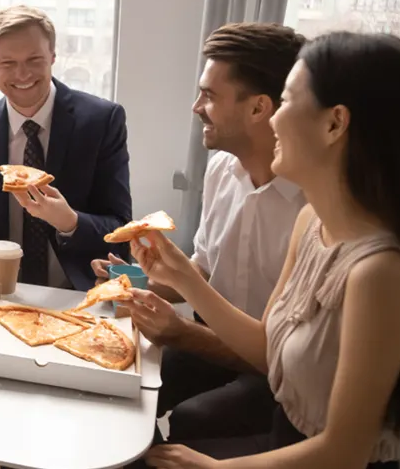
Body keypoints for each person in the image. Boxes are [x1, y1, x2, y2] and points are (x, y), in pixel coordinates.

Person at [139, 32, 400, 468]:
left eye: (287, 101)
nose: (275, 120)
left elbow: (344, 451)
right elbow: (267, 347)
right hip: (289, 436)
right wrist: (181, 274)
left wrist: (214, 468)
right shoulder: (313, 222)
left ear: (335, 123)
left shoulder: (380, 273)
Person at [97, 23, 307, 444]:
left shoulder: (313, 205)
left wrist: (184, 334)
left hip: (280, 366)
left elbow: (280, 355)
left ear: (259, 108)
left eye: (209, 95)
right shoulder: (221, 171)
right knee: (108, 380)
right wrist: (139, 280)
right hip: (213, 340)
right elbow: (206, 272)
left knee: (194, 419)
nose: (196, 107)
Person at [0, 5, 131, 292]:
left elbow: (121, 228)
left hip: (80, 293)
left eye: (34, 59)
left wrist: (69, 221)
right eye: (8, 63)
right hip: (3, 293)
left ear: (53, 57)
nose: (22, 74)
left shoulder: (101, 121)